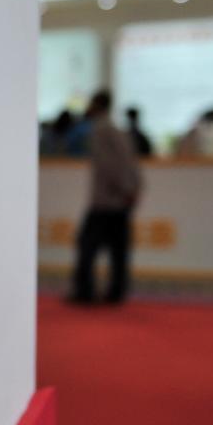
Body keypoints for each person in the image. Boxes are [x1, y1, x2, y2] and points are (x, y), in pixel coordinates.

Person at [69, 90, 142, 304]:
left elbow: (108, 164)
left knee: (88, 246)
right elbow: (129, 162)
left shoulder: (101, 130)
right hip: (119, 198)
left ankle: (86, 291)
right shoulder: (116, 130)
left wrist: (124, 189)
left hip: (105, 200)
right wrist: (131, 189)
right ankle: (116, 291)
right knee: (118, 249)